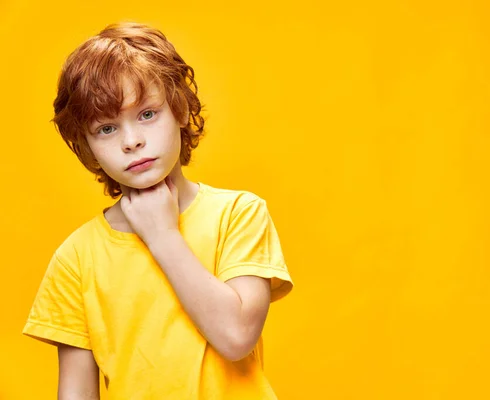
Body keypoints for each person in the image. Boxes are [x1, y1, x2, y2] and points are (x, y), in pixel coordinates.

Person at [22, 21, 293, 399]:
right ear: (86, 145)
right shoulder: (76, 258)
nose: (132, 141)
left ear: (180, 110)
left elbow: (237, 337)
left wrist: (163, 236)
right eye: (106, 129)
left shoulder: (238, 214)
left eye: (147, 114)